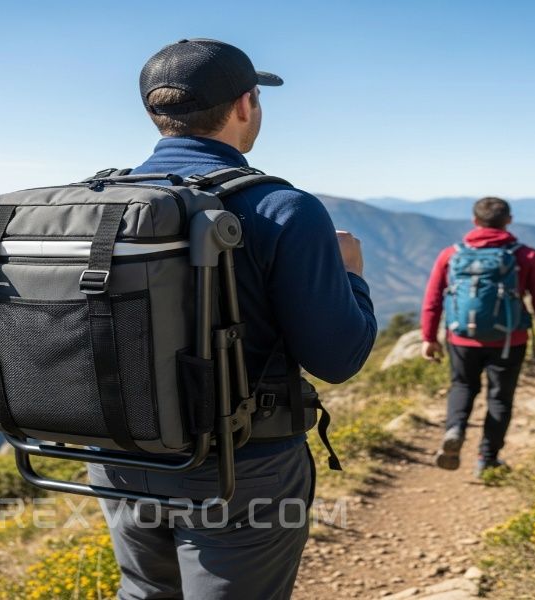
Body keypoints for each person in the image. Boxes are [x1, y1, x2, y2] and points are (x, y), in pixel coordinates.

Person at [87, 39, 377, 600]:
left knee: (145, 592)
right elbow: (339, 359)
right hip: (243, 469)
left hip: (118, 456)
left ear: (156, 113)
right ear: (246, 105)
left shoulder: (106, 203)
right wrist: (353, 277)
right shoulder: (281, 208)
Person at [421, 196, 535, 476]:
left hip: (461, 338)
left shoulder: (452, 254)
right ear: (508, 220)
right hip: (510, 340)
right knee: (500, 398)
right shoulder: (526, 256)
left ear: (475, 221)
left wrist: (429, 336)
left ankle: (455, 429)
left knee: (462, 386)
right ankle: (487, 459)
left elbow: (433, 298)